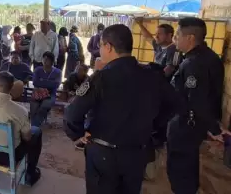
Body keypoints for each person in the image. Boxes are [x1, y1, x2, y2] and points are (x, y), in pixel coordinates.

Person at [63, 24, 178, 194]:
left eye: (100, 46)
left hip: (104, 154)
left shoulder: (100, 78)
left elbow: (72, 114)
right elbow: (174, 104)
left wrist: (79, 134)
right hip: (137, 153)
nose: (99, 50)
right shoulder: (152, 76)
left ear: (108, 47)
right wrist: (153, 127)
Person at [167, 17, 231, 194]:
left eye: (178, 35)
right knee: (188, 167)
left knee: (180, 172)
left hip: (185, 126)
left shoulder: (194, 63)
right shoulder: (208, 57)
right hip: (193, 125)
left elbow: (197, 100)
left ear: (190, 38)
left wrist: (214, 128)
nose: (175, 39)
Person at [30, 52, 62, 127]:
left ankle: (34, 126)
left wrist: (42, 81)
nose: (45, 61)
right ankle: (34, 125)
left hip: (51, 95)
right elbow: (35, 82)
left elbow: (56, 85)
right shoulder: (38, 70)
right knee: (33, 108)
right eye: (44, 59)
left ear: (52, 61)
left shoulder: (58, 72)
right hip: (37, 94)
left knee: (44, 106)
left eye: (47, 60)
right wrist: (49, 83)